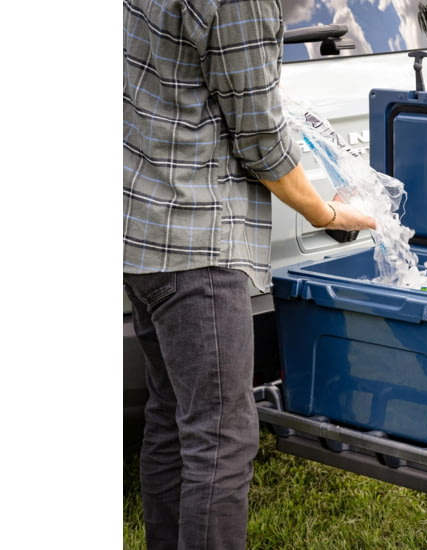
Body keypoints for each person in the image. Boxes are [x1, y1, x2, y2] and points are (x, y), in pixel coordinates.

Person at [123, 1, 376, 548]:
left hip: (144, 237)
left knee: (171, 416)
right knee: (222, 435)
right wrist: (327, 214)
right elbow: (261, 138)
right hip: (198, 248)